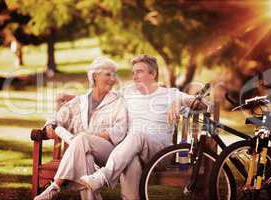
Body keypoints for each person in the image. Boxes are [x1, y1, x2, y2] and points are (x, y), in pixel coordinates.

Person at [80, 55, 208, 200]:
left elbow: (203, 105)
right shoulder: (127, 92)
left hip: (160, 153)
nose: (134, 76)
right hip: (132, 150)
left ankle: (103, 176)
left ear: (152, 74)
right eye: (133, 72)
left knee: (137, 135)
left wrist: (179, 101)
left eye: (139, 72)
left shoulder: (170, 94)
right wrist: (72, 98)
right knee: (132, 159)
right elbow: (99, 96)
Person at [34, 57, 128, 200]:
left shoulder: (118, 100)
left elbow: (120, 129)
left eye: (114, 75)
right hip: (83, 151)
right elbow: (58, 117)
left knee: (82, 138)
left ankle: (55, 185)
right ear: (95, 76)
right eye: (108, 74)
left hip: (109, 153)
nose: (112, 79)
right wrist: (49, 124)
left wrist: (96, 136)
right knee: (86, 158)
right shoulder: (80, 102)